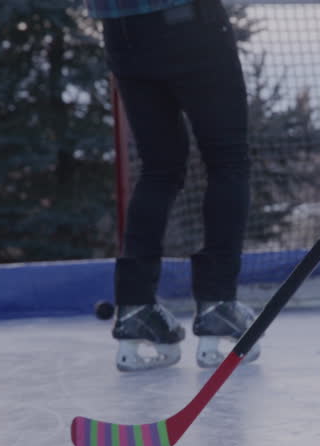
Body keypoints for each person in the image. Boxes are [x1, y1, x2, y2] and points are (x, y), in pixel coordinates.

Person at [85, 0, 260, 371]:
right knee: (227, 160)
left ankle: (135, 307)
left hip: (123, 32)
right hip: (189, 22)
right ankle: (218, 303)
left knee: (159, 167)